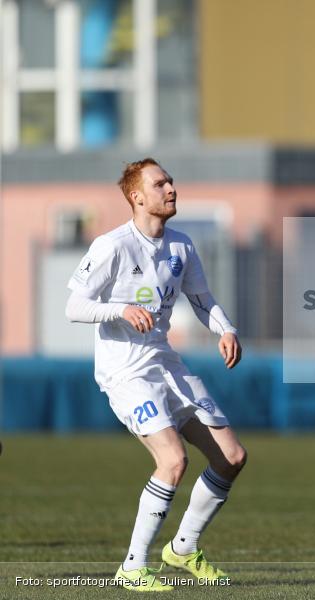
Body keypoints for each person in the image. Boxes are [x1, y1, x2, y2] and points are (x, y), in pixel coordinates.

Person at [66, 158, 245, 591]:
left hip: (166, 363)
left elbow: (202, 300)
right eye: (159, 183)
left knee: (231, 457)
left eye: (170, 181)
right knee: (173, 460)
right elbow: (74, 307)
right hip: (125, 372)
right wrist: (121, 309)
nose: (171, 188)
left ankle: (183, 549)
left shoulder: (181, 246)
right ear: (136, 196)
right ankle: (132, 567)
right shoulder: (113, 246)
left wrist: (226, 329)